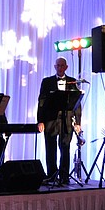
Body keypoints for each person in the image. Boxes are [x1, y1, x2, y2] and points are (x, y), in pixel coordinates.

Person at [37, 57, 82, 185]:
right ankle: (51, 175)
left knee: (65, 147)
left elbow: (77, 104)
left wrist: (78, 123)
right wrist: (40, 121)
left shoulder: (72, 81)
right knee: (50, 148)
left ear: (66, 67)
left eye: (62, 65)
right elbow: (41, 102)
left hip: (67, 120)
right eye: (58, 65)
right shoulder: (47, 82)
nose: (60, 68)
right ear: (55, 67)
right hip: (50, 119)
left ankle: (64, 176)